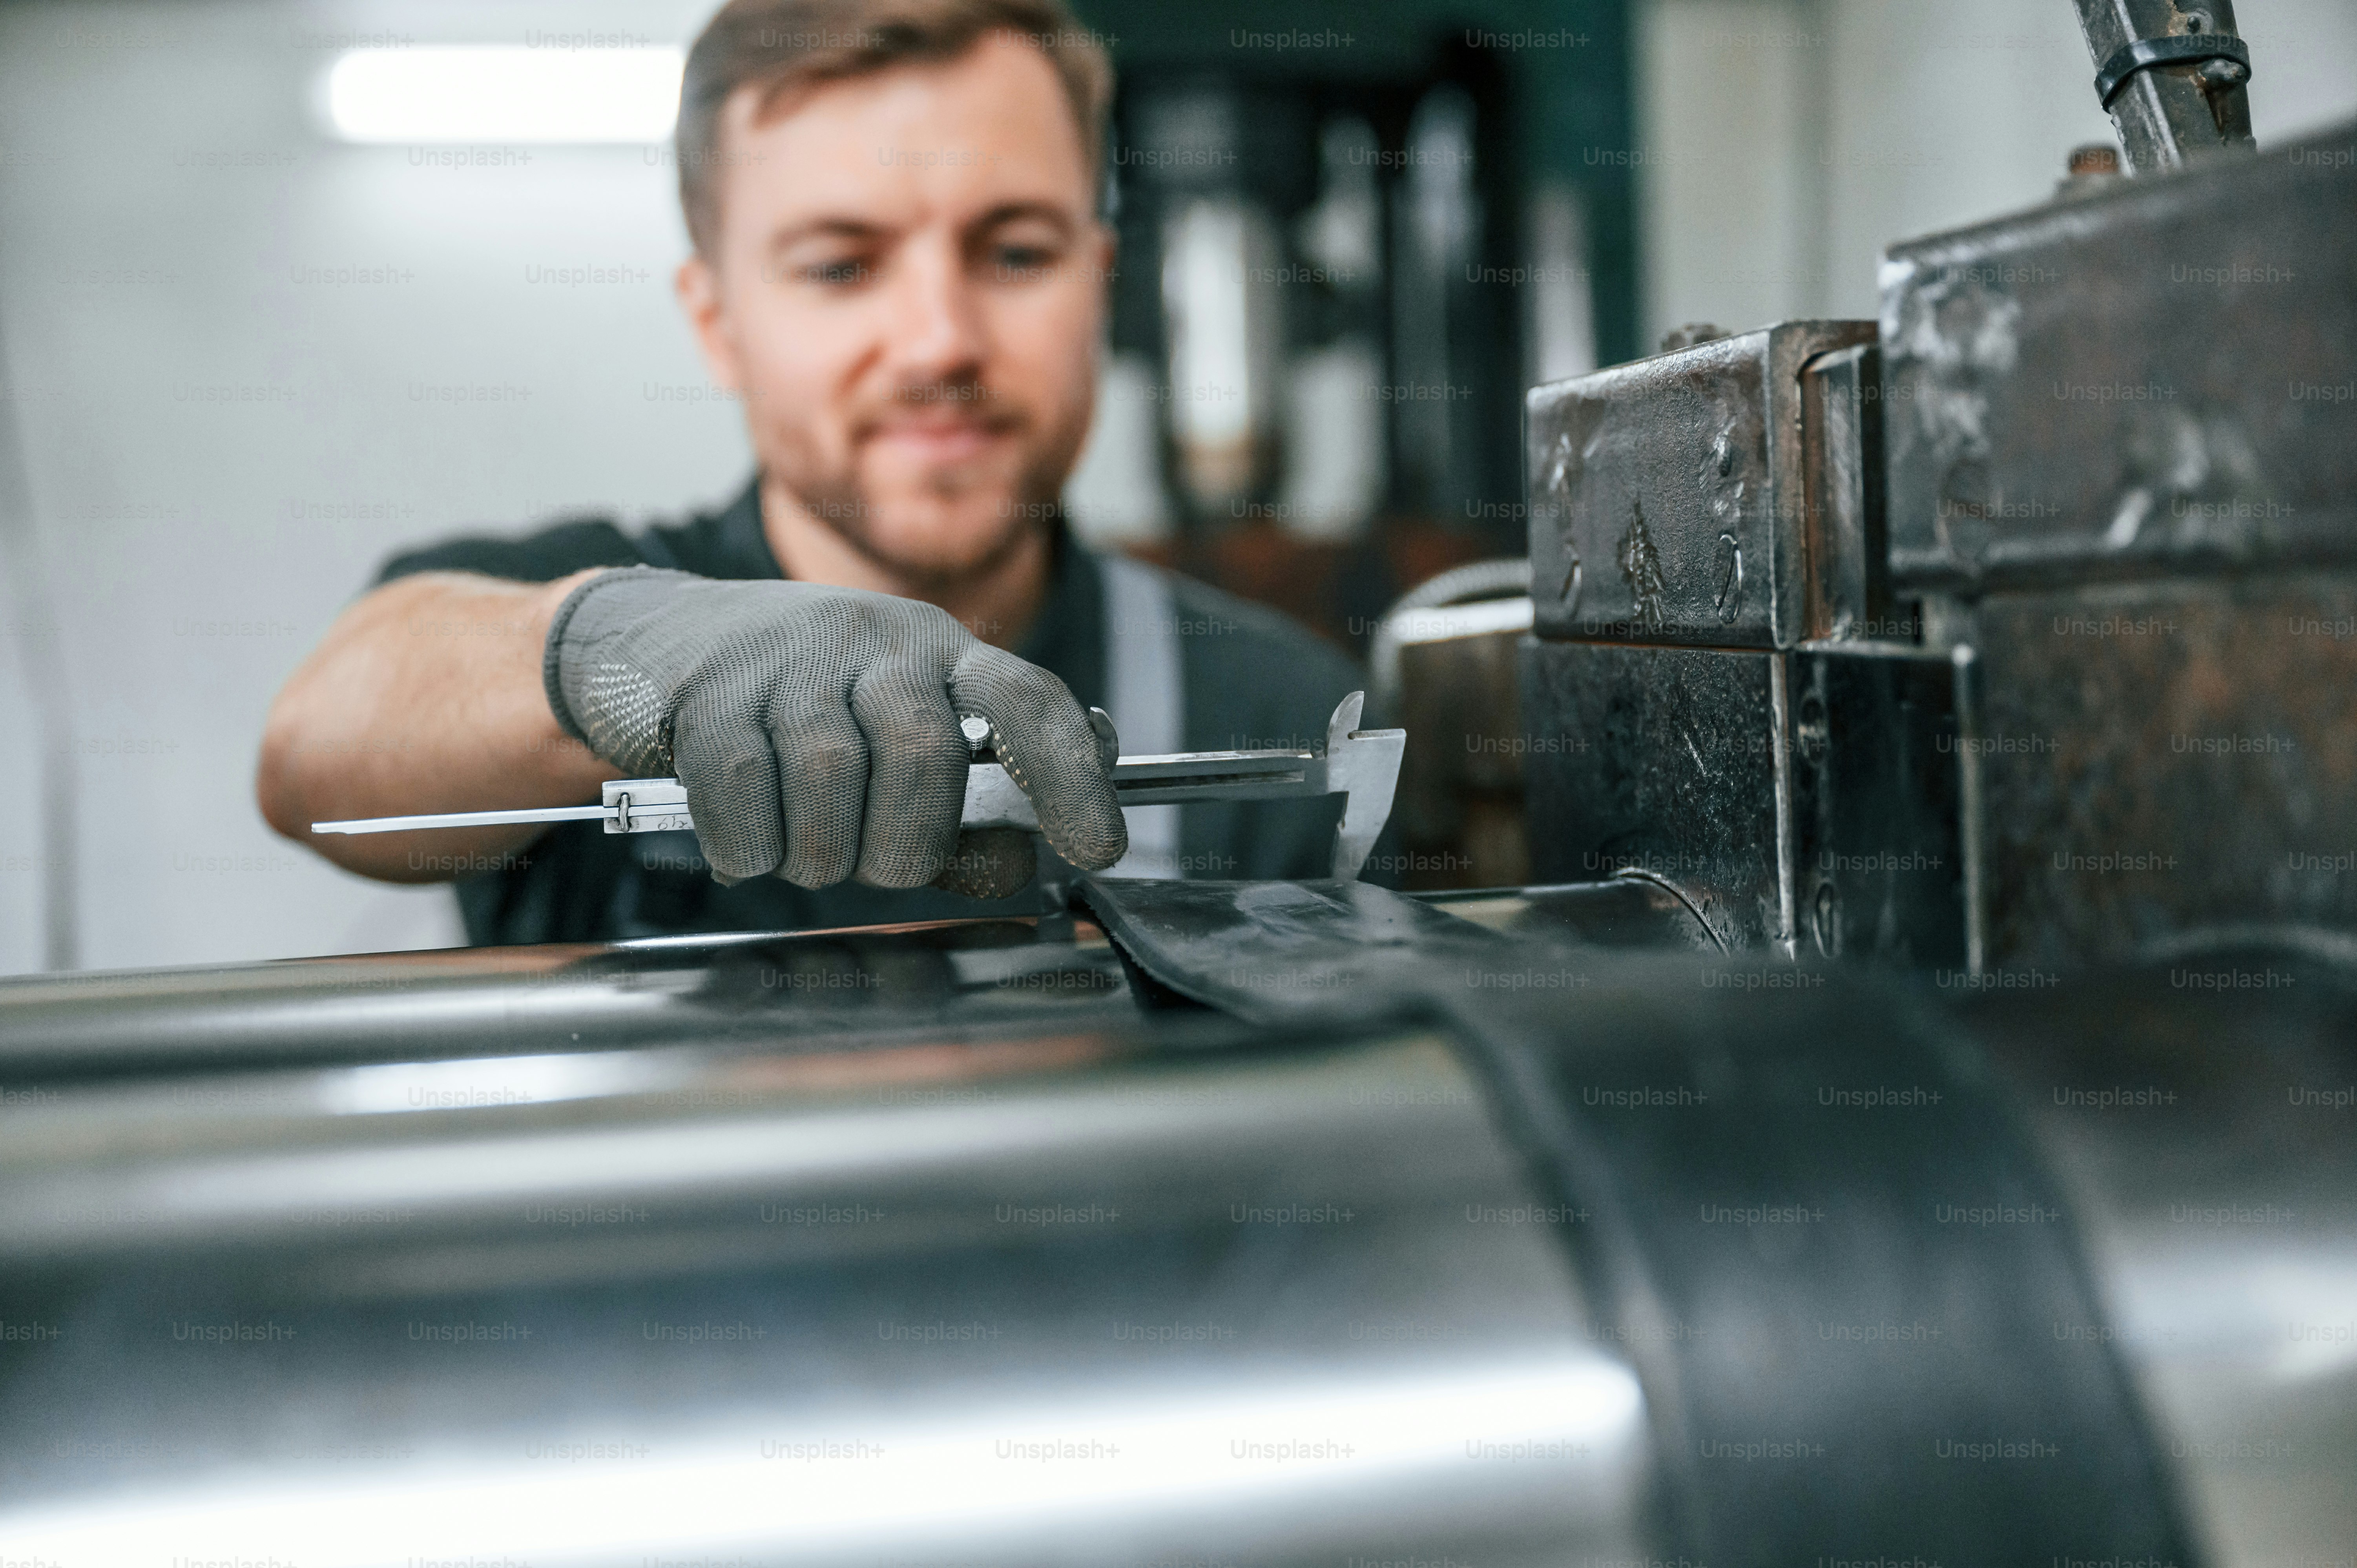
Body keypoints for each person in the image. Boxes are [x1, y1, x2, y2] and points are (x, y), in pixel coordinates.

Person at [257, 0, 1370, 945]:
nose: (940, 342)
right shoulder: (558, 605)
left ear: (1102, 285)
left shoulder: (1272, 714)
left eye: (1018, 252)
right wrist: (605, 658)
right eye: (841, 265)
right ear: (719, 322)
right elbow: (317, 748)